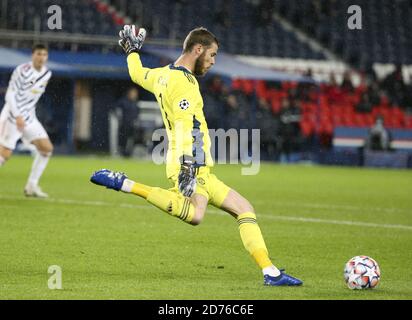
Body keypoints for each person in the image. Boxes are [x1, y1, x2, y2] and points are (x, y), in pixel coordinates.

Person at [90, 25, 302, 286]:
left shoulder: (162, 75)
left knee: (244, 209)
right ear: (198, 49)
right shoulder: (185, 83)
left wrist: (132, 51)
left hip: (198, 164)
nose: (213, 62)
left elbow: (136, 73)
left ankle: (270, 272)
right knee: (196, 216)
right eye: (212, 55)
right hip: (190, 160)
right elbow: (183, 123)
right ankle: (127, 184)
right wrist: (188, 164)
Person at [0, 44, 53, 197]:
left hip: (29, 118)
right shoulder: (22, 71)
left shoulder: (47, 73)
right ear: (32, 55)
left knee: (46, 149)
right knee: (5, 154)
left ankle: (31, 186)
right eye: (38, 54)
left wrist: (26, 115)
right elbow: (10, 95)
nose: (41, 57)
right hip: (12, 116)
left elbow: (32, 96)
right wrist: (17, 115)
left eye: (44, 54)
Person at [116, 87, 140, 157]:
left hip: (132, 125)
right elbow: (115, 109)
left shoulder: (135, 103)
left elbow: (137, 114)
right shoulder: (123, 101)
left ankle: (129, 152)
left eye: (135, 93)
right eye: (133, 93)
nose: (135, 95)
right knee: (123, 138)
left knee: (132, 138)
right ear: (129, 93)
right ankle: (122, 152)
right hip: (124, 124)